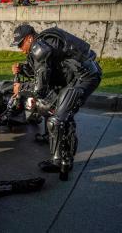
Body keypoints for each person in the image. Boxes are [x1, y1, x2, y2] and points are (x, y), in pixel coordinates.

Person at [11, 24, 102, 180]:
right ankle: (52, 138)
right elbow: (43, 71)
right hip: (76, 76)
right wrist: (23, 69)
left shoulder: (39, 47)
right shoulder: (44, 44)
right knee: (51, 105)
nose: (20, 48)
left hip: (84, 77)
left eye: (21, 44)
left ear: (29, 38)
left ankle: (60, 161)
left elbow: (40, 88)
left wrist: (21, 88)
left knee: (58, 119)